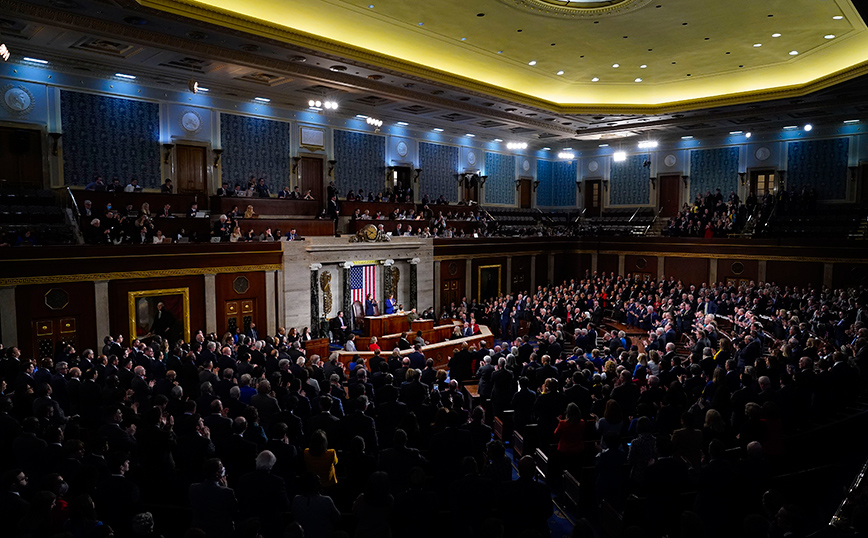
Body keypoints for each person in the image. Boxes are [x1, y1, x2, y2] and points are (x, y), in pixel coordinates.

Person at [188, 458, 238, 538]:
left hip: (199, 531)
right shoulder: (227, 492)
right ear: (219, 474)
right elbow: (234, 512)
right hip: (221, 533)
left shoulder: (193, 488)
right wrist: (225, 488)